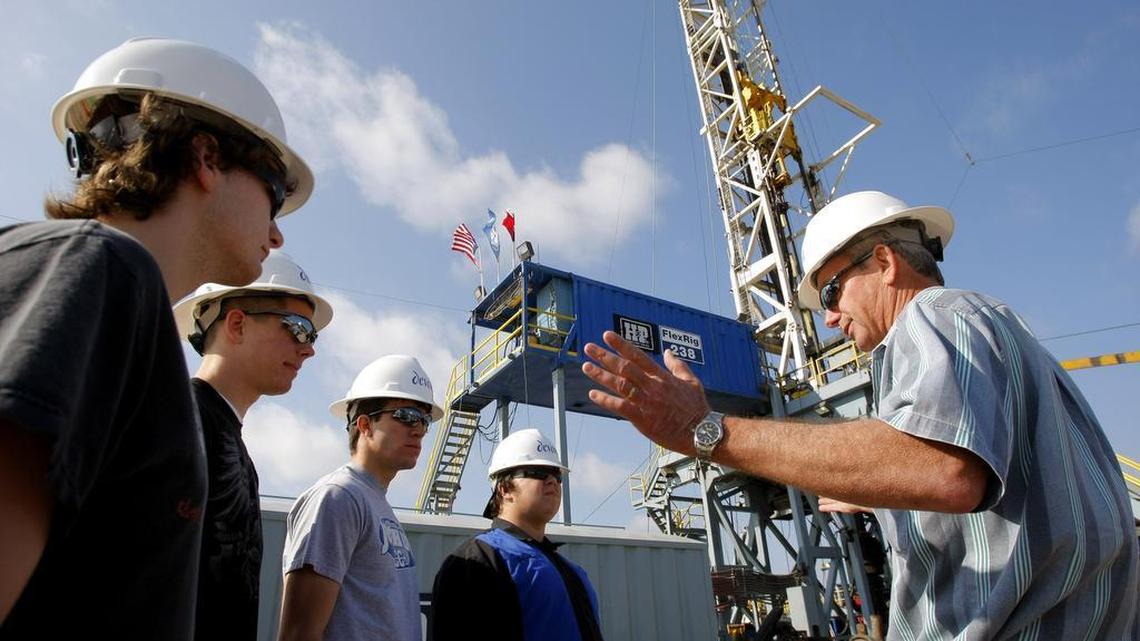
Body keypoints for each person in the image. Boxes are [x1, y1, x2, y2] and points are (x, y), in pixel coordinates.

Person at [582, 190, 1139, 639]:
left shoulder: (931, 315)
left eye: (829, 293)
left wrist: (706, 430)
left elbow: (944, 468)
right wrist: (882, 482)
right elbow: (981, 480)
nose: (828, 319)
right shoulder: (1006, 334)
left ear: (884, 263)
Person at [0, 37, 312, 639]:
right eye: (273, 193)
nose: (276, 236)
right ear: (205, 157)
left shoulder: (87, 281)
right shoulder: (104, 269)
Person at [172, 250, 333, 641]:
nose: (309, 348)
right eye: (297, 329)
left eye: (312, 336)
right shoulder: (173, 421)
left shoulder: (229, 443)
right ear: (238, 324)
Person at [279, 355, 443, 641]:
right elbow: (299, 634)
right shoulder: (338, 498)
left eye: (425, 420)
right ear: (365, 425)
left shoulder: (375, 503)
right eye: (406, 416)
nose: (419, 429)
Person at [428, 429, 604, 641]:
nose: (552, 481)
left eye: (556, 475)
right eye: (538, 472)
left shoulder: (573, 571)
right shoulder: (476, 562)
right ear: (504, 489)